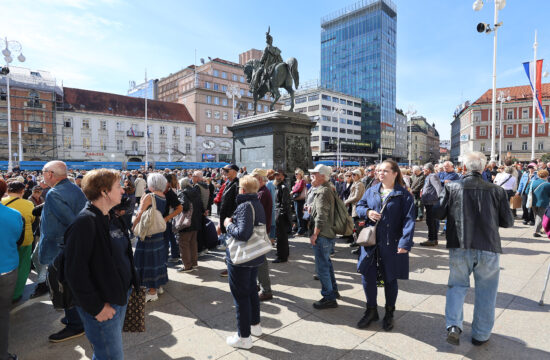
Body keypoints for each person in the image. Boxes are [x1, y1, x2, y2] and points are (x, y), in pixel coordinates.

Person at [435, 151, 514, 346]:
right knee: (487, 291)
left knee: (456, 286)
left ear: (464, 168)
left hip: (460, 245)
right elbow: (508, 221)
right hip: (488, 245)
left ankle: (453, 325)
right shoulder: (497, 191)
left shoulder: (453, 187)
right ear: (484, 168)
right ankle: (481, 334)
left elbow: (438, 212)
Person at [64, 169, 139, 360]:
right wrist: (96, 307)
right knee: (110, 356)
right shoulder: (84, 223)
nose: (123, 190)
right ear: (104, 192)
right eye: (118, 186)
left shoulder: (111, 216)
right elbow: (74, 272)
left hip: (118, 295)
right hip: (102, 302)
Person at [355, 160, 415, 331]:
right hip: (371, 242)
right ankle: (371, 310)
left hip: (392, 244)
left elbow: (409, 221)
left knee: (390, 278)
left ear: (395, 173)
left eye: (385, 171)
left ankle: (389, 312)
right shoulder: (372, 190)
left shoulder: (404, 195)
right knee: (367, 275)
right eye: (379, 170)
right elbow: (359, 206)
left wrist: (405, 242)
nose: (381, 173)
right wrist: (367, 212)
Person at [38, 161, 87, 343]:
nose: (42, 175)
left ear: (50, 174)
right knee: (69, 284)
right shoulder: (73, 188)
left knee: (63, 286)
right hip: (70, 246)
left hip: (61, 248)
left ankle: (75, 324)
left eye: (43, 172)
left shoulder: (54, 193)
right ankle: (73, 317)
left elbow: (71, 221)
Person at [224, 175, 266, 350]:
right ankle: (255, 326)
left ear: (242, 189)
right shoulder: (257, 202)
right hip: (255, 255)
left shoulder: (244, 206)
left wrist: (228, 225)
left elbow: (243, 233)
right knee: (250, 292)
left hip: (241, 258)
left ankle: (244, 337)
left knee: (241, 296)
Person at [308, 164, 340, 309]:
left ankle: (329, 297)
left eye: (314, 174)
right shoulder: (327, 188)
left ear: (322, 176)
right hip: (328, 233)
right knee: (326, 264)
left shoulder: (323, 191)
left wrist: (315, 234)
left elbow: (321, 216)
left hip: (323, 234)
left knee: (322, 267)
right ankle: (333, 291)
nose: (311, 176)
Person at [133, 173, 169, 302]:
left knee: (147, 261)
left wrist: (133, 226)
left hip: (147, 233)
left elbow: (140, 213)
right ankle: (158, 286)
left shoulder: (149, 196)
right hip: (157, 232)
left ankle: (152, 292)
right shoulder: (163, 196)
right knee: (157, 259)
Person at [0, 178, 24, 360]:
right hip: (6, 269)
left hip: (7, 268)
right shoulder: (15, 215)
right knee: (2, 315)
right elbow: (19, 241)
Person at [1, 181, 35, 303]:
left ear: (8, 190)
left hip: (7, 241)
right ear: (22, 191)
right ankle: (16, 294)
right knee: (23, 268)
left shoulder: (2, 202)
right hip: (26, 239)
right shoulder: (29, 204)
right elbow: (32, 219)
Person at [250, 169, 274, 301]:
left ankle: (266, 290)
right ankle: (261, 286)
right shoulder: (261, 192)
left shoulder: (262, 193)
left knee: (260, 262)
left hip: (260, 231)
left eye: (253, 178)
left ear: (259, 179)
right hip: (261, 230)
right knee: (258, 261)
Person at [176, 178, 203, 272]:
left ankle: (187, 266)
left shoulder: (183, 193)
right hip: (195, 222)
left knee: (184, 244)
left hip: (186, 223)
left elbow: (185, 206)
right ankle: (194, 263)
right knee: (193, 243)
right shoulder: (196, 192)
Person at [218, 164, 240, 277]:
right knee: (228, 245)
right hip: (225, 219)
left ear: (235, 172)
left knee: (231, 246)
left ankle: (232, 268)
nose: (225, 172)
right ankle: (230, 266)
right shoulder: (228, 183)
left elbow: (237, 204)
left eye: (227, 170)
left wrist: (231, 219)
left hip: (231, 221)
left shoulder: (237, 184)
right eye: (224, 170)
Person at [420, 163, 442, 246]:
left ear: (428, 170)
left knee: (431, 221)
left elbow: (438, 188)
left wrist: (440, 201)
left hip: (432, 203)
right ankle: (433, 239)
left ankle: (432, 239)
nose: (423, 171)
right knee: (430, 221)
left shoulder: (433, 176)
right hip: (429, 202)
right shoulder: (429, 176)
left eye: (424, 170)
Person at [344, 169, 366, 244]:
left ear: (358, 175)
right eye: (351, 175)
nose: (352, 176)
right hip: (353, 206)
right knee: (355, 226)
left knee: (357, 226)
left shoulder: (359, 184)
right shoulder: (355, 183)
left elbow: (357, 197)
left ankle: (358, 243)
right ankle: (356, 241)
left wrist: (347, 201)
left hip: (357, 207)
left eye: (354, 175)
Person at [529, 170, 550, 237]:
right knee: (540, 216)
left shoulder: (532, 182)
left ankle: (539, 228)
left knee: (536, 216)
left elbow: (527, 192)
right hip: (543, 202)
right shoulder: (548, 184)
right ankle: (536, 231)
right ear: (546, 176)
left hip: (533, 201)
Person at [291, 168, 307, 236]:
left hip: (300, 200)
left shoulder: (302, 181)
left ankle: (301, 231)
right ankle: (301, 230)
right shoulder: (298, 181)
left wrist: (292, 191)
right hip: (297, 199)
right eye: (295, 174)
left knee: (299, 215)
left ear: (300, 174)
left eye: (297, 174)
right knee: (298, 215)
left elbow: (299, 188)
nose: (295, 175)